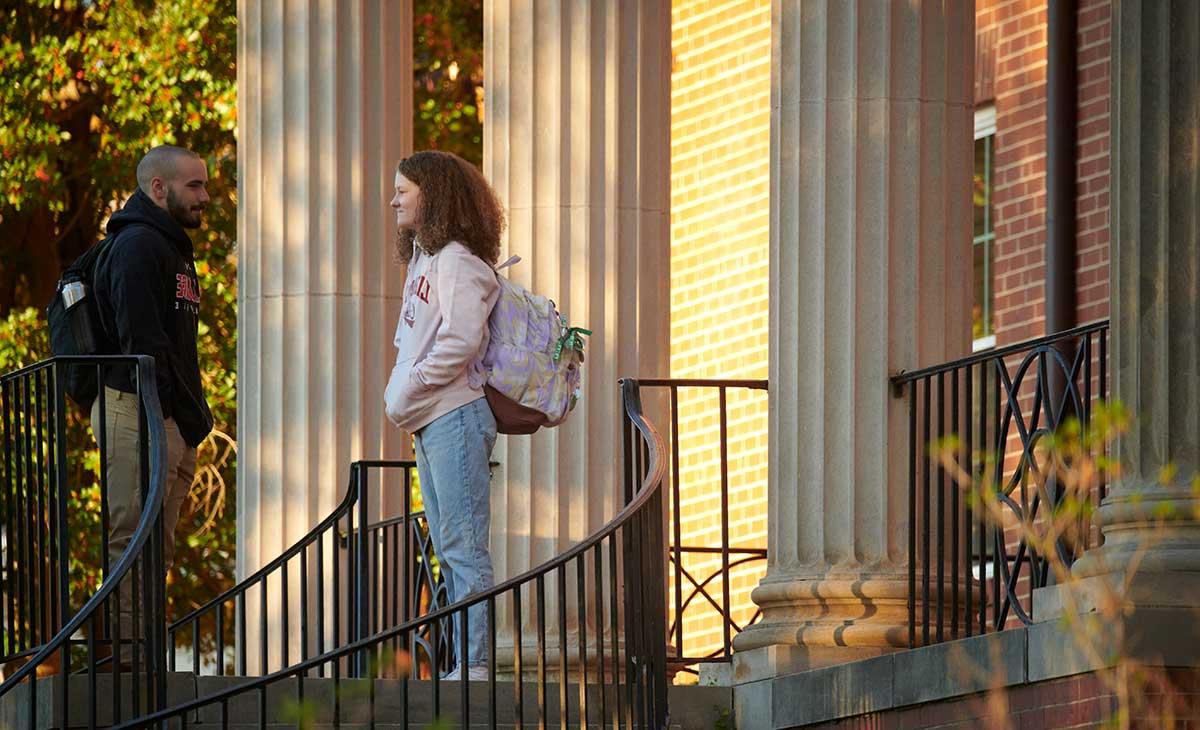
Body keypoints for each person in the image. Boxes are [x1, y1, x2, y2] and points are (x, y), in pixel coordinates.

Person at [91, 145, 214, 665]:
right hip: (137, 409)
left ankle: (142, 651)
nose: (205, 197)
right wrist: (166, 412)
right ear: (157, 188)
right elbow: (141, 340)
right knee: (131, 537)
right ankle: (126, 657)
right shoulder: (137, 245)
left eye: (205, 185)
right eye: (194, 186)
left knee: (155, 547)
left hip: (170, 418)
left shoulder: (173, 248)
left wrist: (188, 420)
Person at [383, 150, 503, 681]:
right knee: (448, 546)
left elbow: (460, 339)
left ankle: (475, 663)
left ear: (431, 195)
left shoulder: (456, 260)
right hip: (429, 420)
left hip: (454, 414)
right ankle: (463, 659)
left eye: (403, 192)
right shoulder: (425, 261)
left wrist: (414, 384)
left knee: (463, 545)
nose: (394, 200)